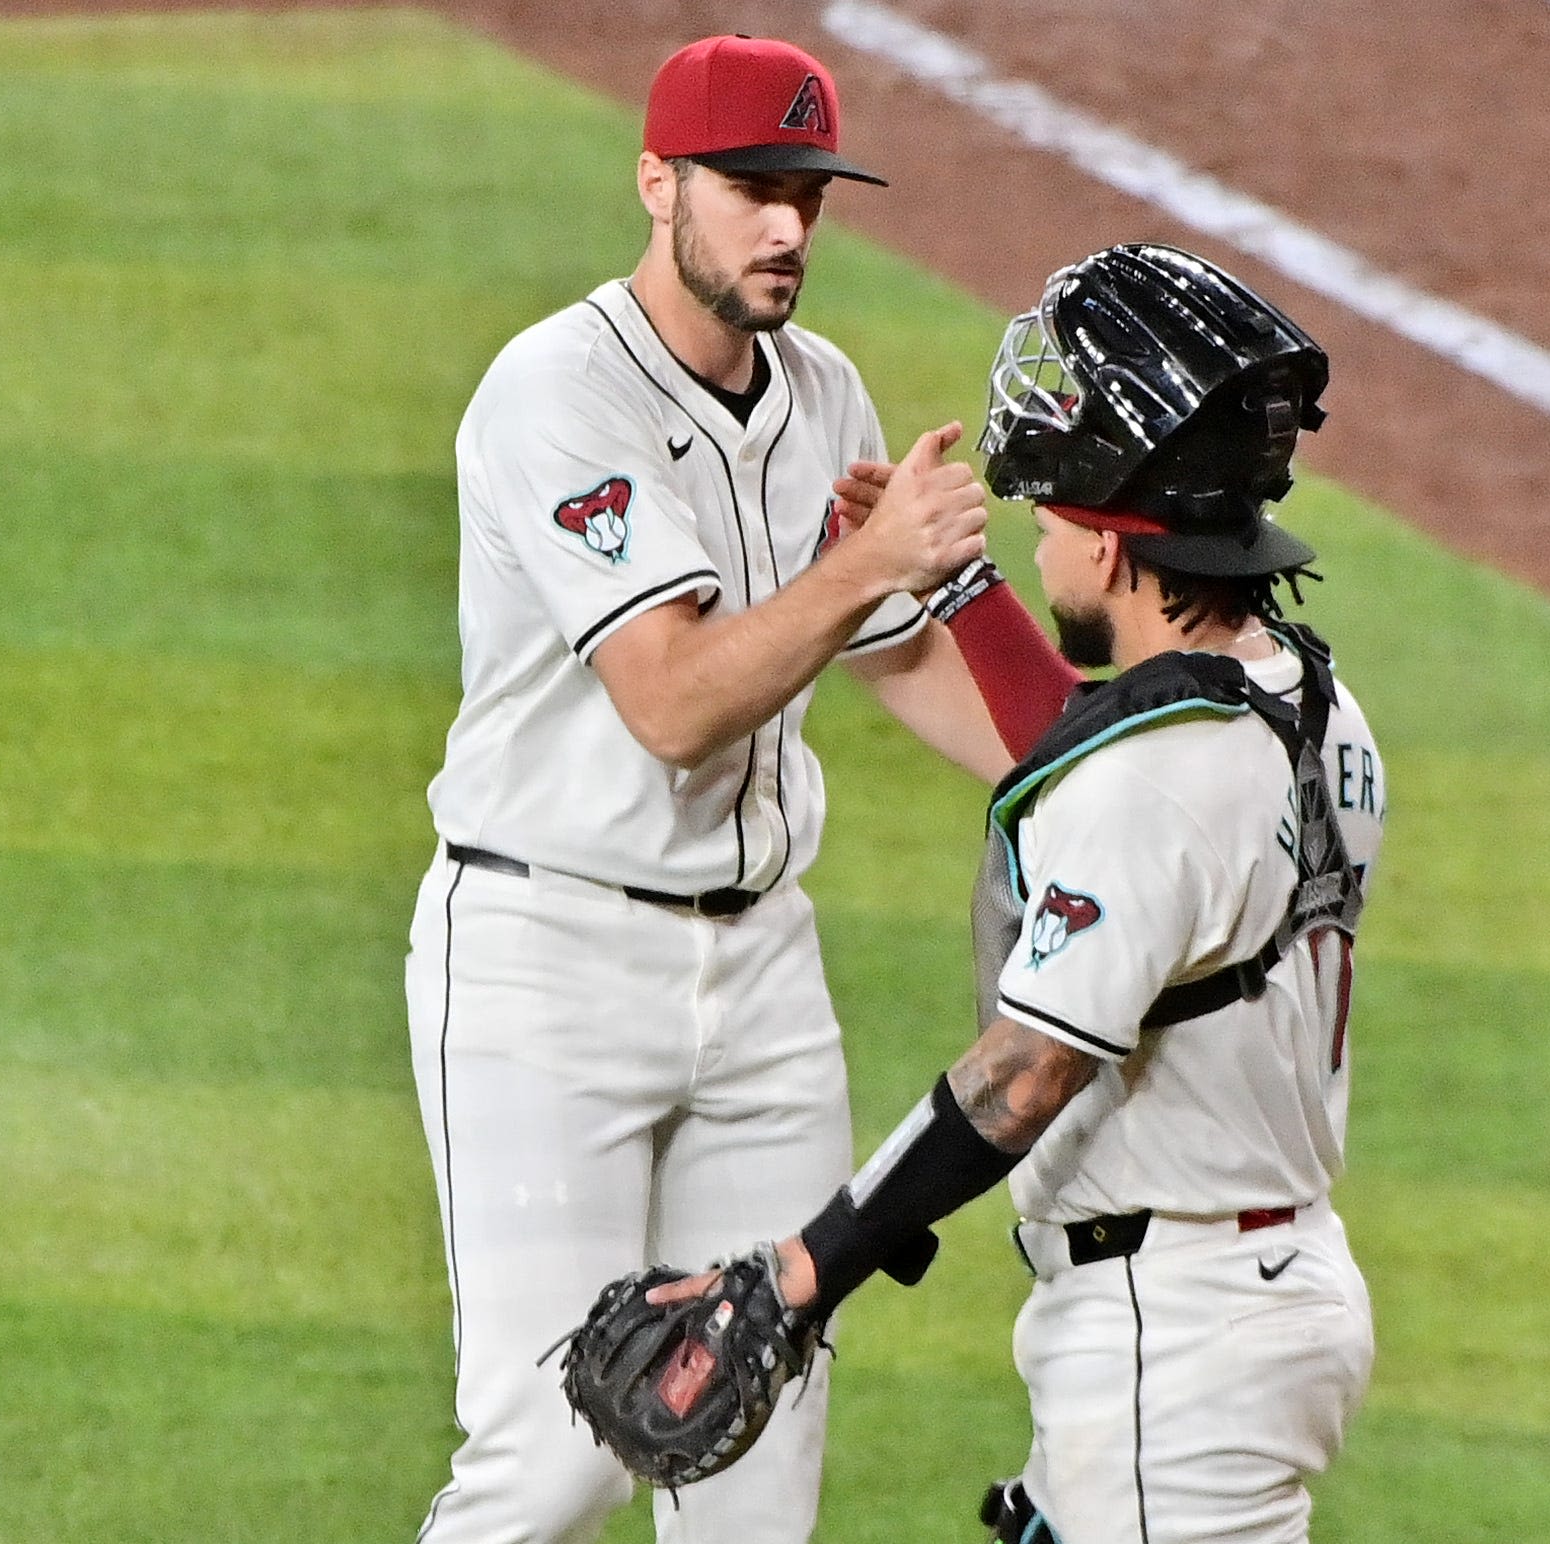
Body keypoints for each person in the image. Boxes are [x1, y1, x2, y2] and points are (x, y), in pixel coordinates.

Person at [670, 243, 1388, 1544]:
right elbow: (1095, 749)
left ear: (1113, 548)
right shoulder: (1303, 700)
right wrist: (953, 591)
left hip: (1174, 1331)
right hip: (1247, 1292)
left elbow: (1024, 1075)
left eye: (1048, 519)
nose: (1035, 533)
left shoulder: (1155, 788)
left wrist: (804, 1271)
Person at [402, 33, 1013, 1544]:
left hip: (759, 980)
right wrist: (872, 556)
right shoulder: (555, 391)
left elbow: (894, 654)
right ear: (657, 181)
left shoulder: (822, 392)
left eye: (808, 190)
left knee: (747, 1451)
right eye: (751, 188)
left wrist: (1089, 769)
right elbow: (672, 702)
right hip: (549, 965)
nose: (789, 227)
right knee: (553, 1458)